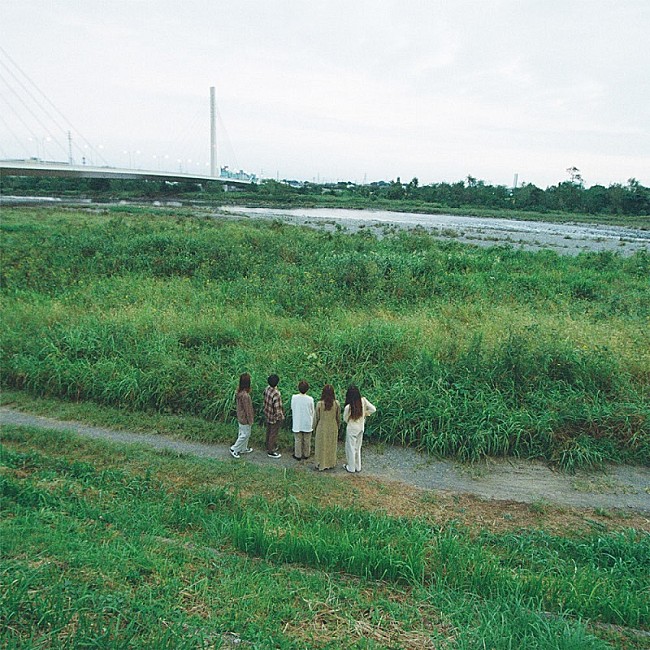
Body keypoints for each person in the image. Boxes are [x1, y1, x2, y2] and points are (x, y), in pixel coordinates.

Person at [343, 385, 376, 473]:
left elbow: (345, 419)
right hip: (361, 427)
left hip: (351, 428)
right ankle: (358, 466)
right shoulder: (363, 401)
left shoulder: (348, 407)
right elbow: (373, 409)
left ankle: (351, 467)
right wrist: (365, 413)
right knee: (358, 447)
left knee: (350, 448)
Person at [313, 384, 341, 471]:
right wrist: (338, 426)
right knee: (331, 445)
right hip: (333, 426)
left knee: (321, 446)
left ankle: (320, 463)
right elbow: (338, 417)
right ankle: (331, 462)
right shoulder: (336, 404)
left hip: (322, 426)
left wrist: (314, 428)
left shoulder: (319, 404)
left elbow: (316, 418)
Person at [230, 372, 254, 459]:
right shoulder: (245, 396)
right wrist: (250, 420)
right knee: (245, 435)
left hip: (240, 416)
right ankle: (234, 448)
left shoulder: (239, 393)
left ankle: (243, 448)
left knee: (243, 433)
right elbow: (248, 409)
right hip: (245, 418)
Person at [290, 380, 315, 460]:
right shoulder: (310, 399)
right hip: (307, 422)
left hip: (297, 421)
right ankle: (306, 454)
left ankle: (298, 455)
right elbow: (312, 411)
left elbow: (292, 407)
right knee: (307, 440)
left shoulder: (294, 397)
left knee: (298, 439)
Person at [263, 374, 284, 458]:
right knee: (273, 433)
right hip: (274, 416)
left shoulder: (267, 389)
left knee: (268, 430)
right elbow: (277, 408)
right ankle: (271, 450)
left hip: (267, 412)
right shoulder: (276, 393)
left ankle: (267, 444)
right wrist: (280, 417)